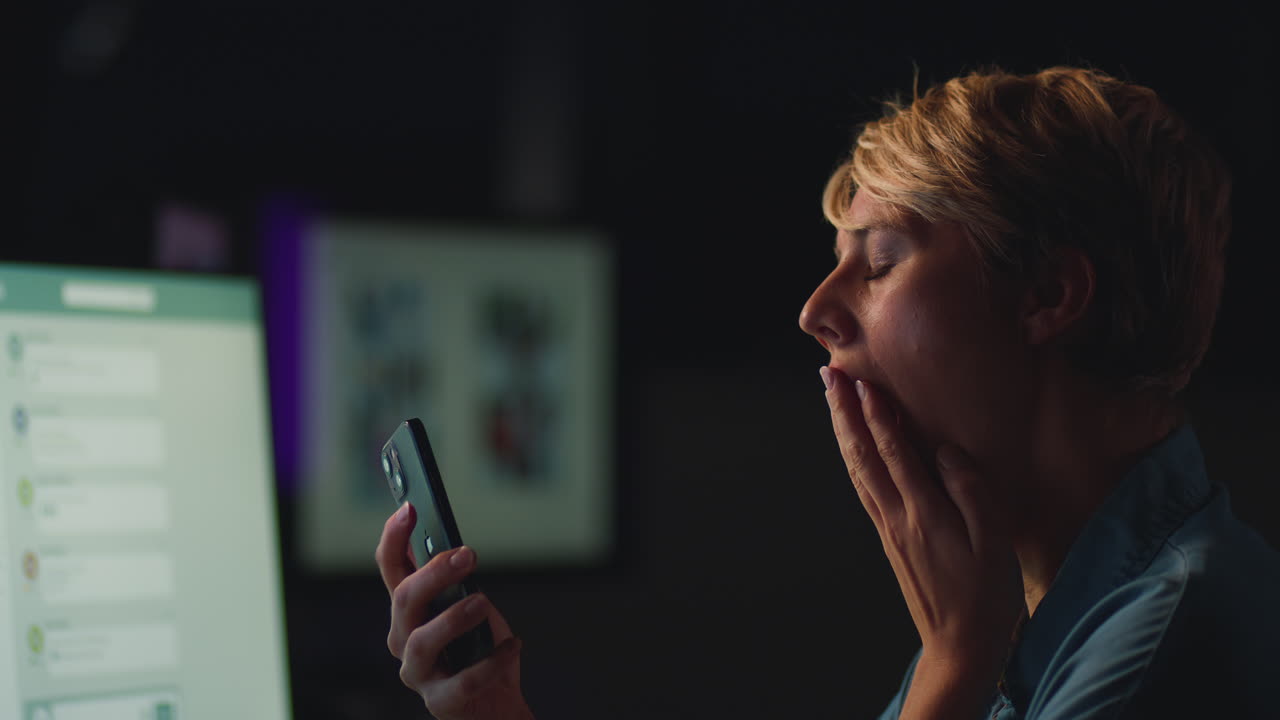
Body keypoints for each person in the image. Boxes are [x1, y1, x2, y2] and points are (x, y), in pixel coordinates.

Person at [375, 66, 1280, 719]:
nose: (815, 311)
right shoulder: (1022, 603)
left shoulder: (1161, 646)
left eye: (880, 264)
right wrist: (489, 710)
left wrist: (953, 669)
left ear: (1046, 296)